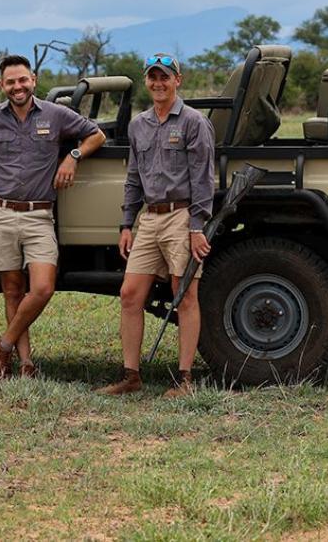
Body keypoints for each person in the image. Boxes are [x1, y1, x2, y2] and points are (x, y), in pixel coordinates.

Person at [0, 54, 107, 379]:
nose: (18, 86)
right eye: (11, 82)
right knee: (13, 290)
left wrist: (72, 157)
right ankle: (25, 364)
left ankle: (1, 346)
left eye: (23, 80)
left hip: (39, 214)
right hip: (1, 214)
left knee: (43, 288)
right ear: (1, 85)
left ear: (34, 80)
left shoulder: (56, 115)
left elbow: (96, 135)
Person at [95, 53, 214, 398]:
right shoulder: (139, 125)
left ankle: (185, 380)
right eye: (153, 77)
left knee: (185, 295)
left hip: (181, 215)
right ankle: (131, 376)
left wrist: (197, 226)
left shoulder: (193, 122)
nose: (159, 83)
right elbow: (134, 177)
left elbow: (204, 179)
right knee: (130, 294)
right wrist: (127, 223)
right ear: (146, 81)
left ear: (178, 80)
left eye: (165, 77)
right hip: (149, 217)